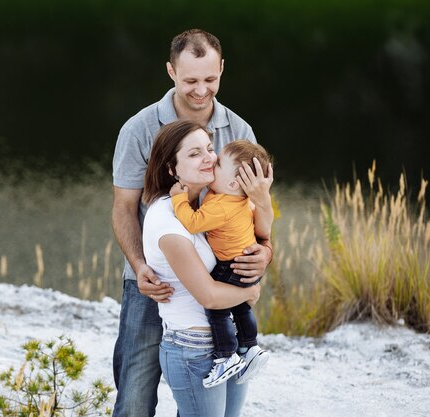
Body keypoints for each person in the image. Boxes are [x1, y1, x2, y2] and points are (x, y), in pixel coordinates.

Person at [112, 28, 273, 416]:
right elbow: (123, 208)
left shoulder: (239, 132)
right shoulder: (139, 129)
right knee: (135, 388)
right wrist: (139, 266)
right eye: (190, 81)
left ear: (222, 68)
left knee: (212, 386)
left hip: (215, 275)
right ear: (170, 71)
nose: (201, 90)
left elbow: (254, 209)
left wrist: (265, 253)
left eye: (210, 79)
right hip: (154, 281)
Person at [142, 120, 266, 417]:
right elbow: (209, 297)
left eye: (210, 149)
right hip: (193, 351)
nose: (210, 158)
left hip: (230, 346)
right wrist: (252, 289)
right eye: (194, 154)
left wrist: (264, 212)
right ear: (172, 169)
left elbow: (257, 236)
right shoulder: (167, 221)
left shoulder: (214, 202)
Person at [169, 140, 274, 388]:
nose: (211, 164)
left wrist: (179, 199)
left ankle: (225, 356)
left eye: (217, 165)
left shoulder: (220, 206)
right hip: (243, 263)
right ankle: (250, 347)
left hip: (231, 265)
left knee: (218, 312)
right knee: (241, 308)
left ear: (233, 184)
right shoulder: (238, 200)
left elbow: (193, 223)